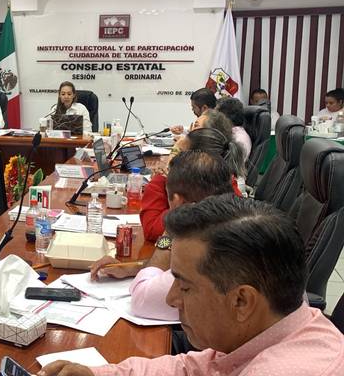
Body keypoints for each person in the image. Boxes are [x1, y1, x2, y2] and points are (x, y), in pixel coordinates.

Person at [39, 196, 344, 376]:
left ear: (241, 301)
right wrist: (97, 374)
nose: (171, 299)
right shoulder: (281, 324)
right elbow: (191, 368)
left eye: (184, 287)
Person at [91, 151, 236, 323]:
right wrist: (132, 268)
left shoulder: (203, 250)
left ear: (179, 202)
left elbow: (143, 298)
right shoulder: (230, 222)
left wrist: (172, 226)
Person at [140, 126, 244, 242]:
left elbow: (152, 230)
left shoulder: (206, 195)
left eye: (179, 153)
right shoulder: (222, 184)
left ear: (197, 161)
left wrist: (163, 177)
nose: (174, 158)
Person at [216, 97, 251, 162]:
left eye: (216, 115)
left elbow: (228, 165)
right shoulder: (230, 133)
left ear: (224, 116)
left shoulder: (238, 140)